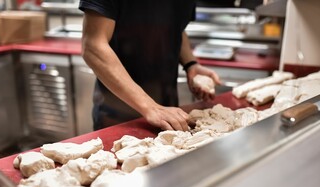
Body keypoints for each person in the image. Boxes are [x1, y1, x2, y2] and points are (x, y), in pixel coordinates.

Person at [79, 0, 221, 131]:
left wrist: (190, 63)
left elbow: (175, 27)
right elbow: (93, 46)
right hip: (118, 117)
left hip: (168, 113)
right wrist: (151, 107)